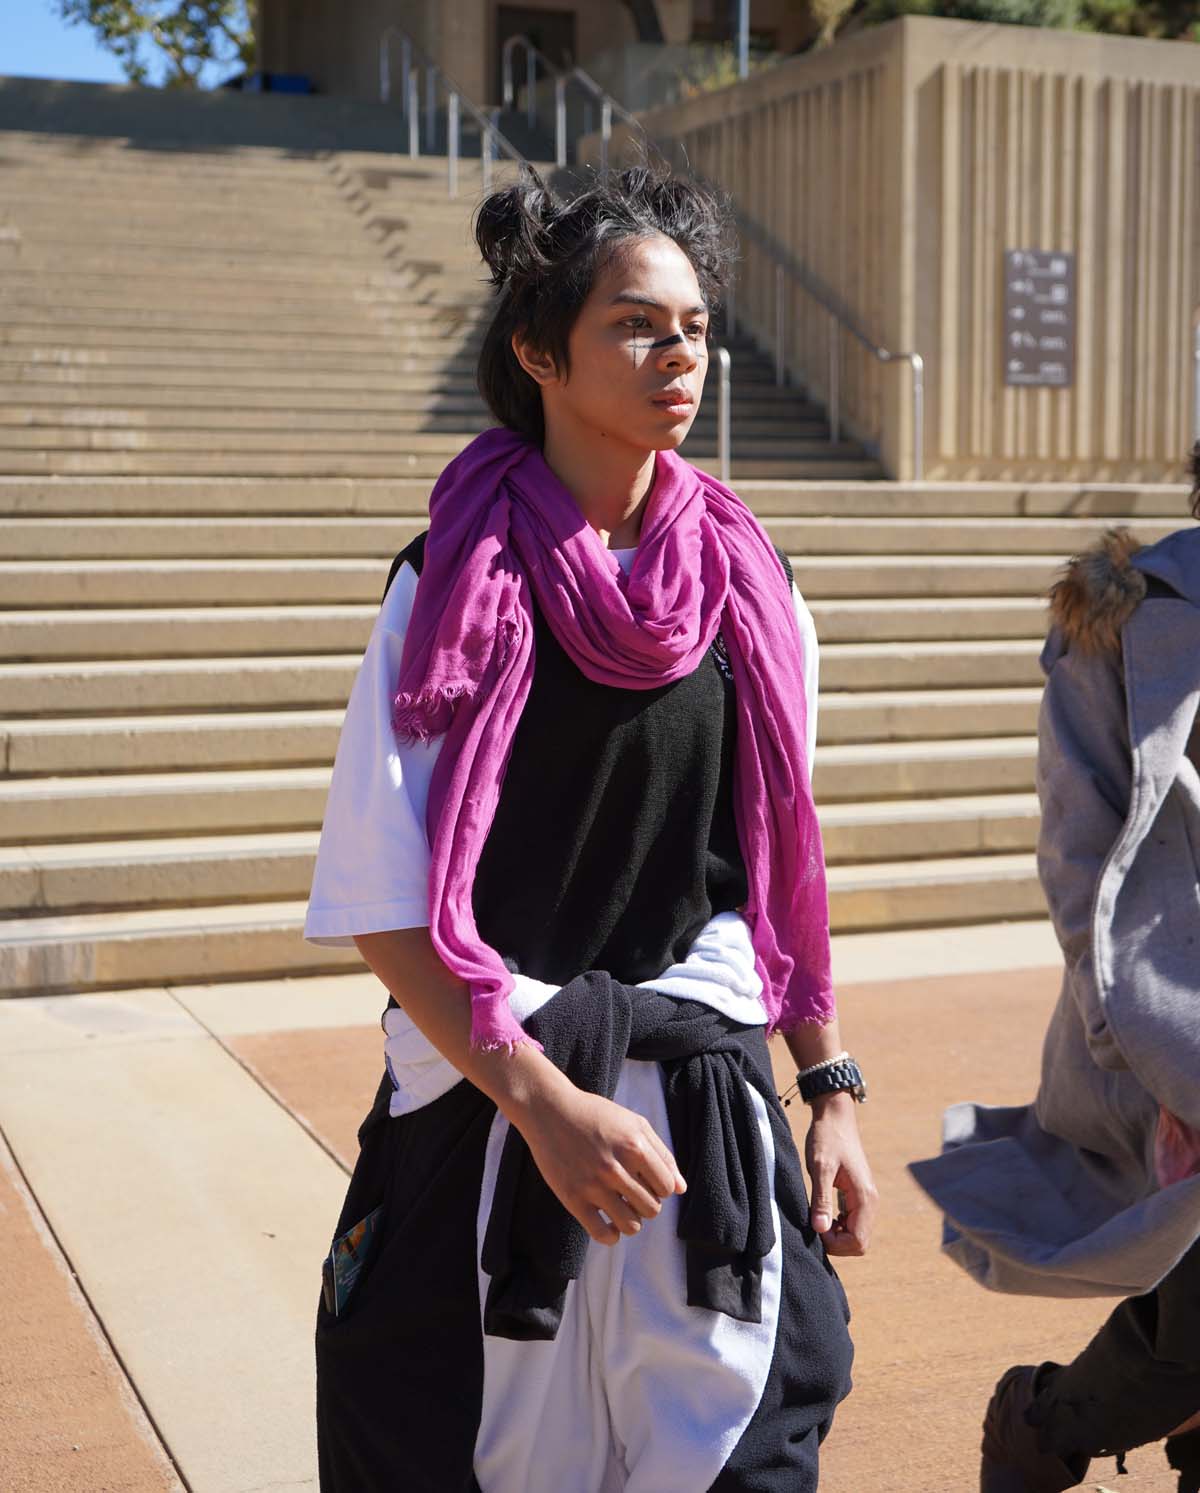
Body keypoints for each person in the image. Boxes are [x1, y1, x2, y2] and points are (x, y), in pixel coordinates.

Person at [301, 167, 876, 1492]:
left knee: (749, 1453)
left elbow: (776, 867)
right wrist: (545, 1106)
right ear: (535, 348)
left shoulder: (753, 582)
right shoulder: (445, 582)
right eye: (635, 323)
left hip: (706, 1126)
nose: (681, 353)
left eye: (694, 324)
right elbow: (384, 903)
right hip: (492, 1115)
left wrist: (831, 1087)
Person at [910, 454, 1200, 1492]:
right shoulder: (1128, 617)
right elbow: (1083, 858)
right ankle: (1046, 1424)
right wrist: (1150, 1052)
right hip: (1172, 1022)